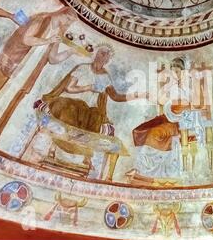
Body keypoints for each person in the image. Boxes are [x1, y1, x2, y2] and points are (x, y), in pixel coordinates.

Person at [0, 7, 78, 135]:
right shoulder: (42, 19)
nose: (67, 23)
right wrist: (47, 40)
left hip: (23, 74)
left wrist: (70, 52)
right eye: (67, 19)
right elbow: (27, 39)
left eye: (70, 22)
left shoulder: (57, 33)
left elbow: (53, 58)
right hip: (10, 63)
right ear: (60, 13)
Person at [37, 46, 147, 181]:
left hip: (91, 109)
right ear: (95, 54)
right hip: (73, 102)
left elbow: (116, 96)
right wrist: (88, 87)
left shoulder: (106, 77)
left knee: (95, 119)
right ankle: (53, 148)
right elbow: (69, 88)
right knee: (69, 111)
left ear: (108, 60)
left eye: (107, 55)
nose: (103, 57)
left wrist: (137, 95)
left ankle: (86, 158)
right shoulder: (83, 68)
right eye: (102, 53)